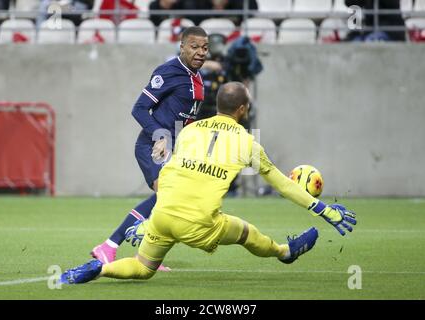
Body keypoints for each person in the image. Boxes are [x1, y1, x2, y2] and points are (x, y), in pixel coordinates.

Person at [60, 82, 357, 285]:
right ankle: (285, 253)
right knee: (245, 232)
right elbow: (282, 184)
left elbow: (169, 173)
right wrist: (323, 209)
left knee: (143, 267)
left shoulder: (190, 132)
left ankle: (100, 269)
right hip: (199, 223)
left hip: (163, 215)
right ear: (242, 109)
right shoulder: (246, 142)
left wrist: (152, 221)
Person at [90, 26, 208, 270]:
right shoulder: (168, 72)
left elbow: (188, 117)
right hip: (153, 146)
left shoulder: (197, 76)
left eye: (204, 47)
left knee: (171, 201)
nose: (200, 52)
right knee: (167, 196)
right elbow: (139, 108)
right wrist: (160, 136)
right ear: (182, 46)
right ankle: (109, 246)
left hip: (176, 147)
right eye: (194, 46)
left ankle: (147, 255)